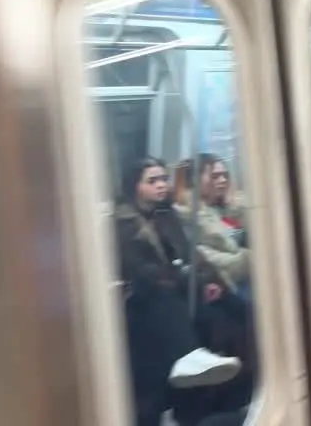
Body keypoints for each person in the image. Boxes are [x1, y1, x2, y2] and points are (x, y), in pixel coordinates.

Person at [113, 157, 241, 426]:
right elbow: (140, 271)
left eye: (163, 179)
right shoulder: (122, 224)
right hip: (142, 301)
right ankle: (189, 356)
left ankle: (238, 392)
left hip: (177, 289)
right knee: (166, 299)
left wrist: (210, 282)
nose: (161, 185)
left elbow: (190, 255)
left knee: (231, 309)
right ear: (135, 187)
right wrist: (183, 278)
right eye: (152, 181)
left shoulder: (166, 216)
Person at [173, 154, 250, 293]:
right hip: (224, 285)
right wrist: (250, 259)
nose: (223, 180)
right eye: (215, 176)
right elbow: (208, 258)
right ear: (195, 181)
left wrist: (234, 206)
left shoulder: (223, 208)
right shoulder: (188, 215)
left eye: (225, 175)